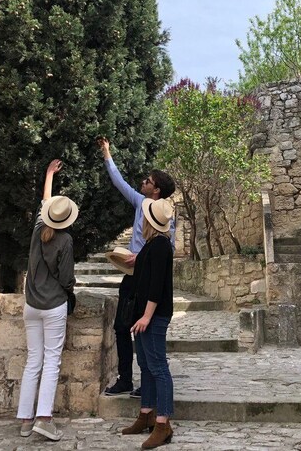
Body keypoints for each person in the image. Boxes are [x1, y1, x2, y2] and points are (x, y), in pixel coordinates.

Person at [97, 137, 175, 398]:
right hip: (131, 278)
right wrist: (107, 154)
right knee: (121, 326)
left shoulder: (165, 218)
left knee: (146, 332)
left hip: (148, 280)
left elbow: (166, 251)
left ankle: (150, 385)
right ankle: (125, 379)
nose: (142, 183)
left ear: (157, 190)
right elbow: (119, 182)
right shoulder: (139, 203)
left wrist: (140, 257)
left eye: (147, 181)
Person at [16, 159, 78, 441]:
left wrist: (49, 175)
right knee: (51, 361)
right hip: (53, 305)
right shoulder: (64, 241)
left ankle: (25, 420)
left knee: (33, 361)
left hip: (31, 305)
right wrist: (71, 290)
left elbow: (45, 202)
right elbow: (66, 277)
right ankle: (44, 418)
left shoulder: (36, 231)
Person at [121, 197, 175, 448]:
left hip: (153, 314)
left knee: (158, 367)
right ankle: (146, 414)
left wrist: (146, 316)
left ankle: (163, 424)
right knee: (145, 364)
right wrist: (134, 259)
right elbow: (145, 271)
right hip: (144, 313)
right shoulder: (151, 245)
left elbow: (156, 286)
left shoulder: (162, 245)